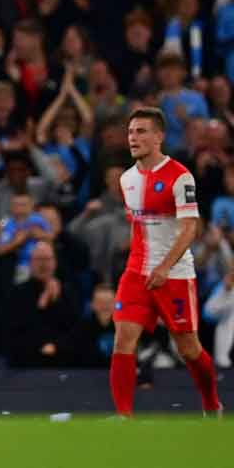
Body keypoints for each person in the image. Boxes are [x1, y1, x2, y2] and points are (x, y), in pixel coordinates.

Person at [110, 107, 222, 417]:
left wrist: (164, 267)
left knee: (188, 348)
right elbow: (141, 227)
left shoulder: (180, 176)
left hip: (174, 274)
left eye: (141, 131)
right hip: (136, 273)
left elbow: (189, 229)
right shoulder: (126, 179)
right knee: (123, 339)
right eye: (131, 132)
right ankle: (123, 418)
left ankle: (212, 404)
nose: (134, 138)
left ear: (159, 136)